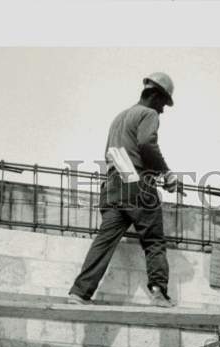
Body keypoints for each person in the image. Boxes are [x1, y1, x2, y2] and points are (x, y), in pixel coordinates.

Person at [69, 72, 180, 308]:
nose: (163, 110)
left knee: (104, 240)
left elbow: (112, 153)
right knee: (154, 241)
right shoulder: (148, 114)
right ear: (156, 97)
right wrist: (166, 173)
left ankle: (79, 293)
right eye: (164, 103)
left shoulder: (120, 117)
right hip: (136, 184)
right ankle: (159, 293)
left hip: (112, 185)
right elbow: (146, 144)